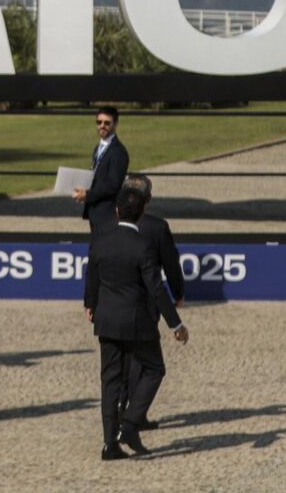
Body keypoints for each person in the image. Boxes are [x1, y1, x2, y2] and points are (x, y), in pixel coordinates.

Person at [85, 187, 188, 459]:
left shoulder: (100, 240)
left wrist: (90, 304)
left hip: (106, 320)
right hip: (137, 322)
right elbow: (156, 289)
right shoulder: (143, 246)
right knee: (154, 368)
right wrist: (175, 325)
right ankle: (130, 424)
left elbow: (92, 276)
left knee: (109, 381)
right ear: (142, 211)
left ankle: (109, 444)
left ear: (117, 210)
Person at [120, 173, 184, 430]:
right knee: (141, 360)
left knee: (121, 358)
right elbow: (171, 264)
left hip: (114, 300)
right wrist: (178, 293)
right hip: (145, 303)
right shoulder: (157, 227)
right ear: (148, 199)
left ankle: (122, 408)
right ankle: (133, 413)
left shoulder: (110, 222)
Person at [73, 107, 130, 236]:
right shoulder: (98, 148)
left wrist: (88, 194)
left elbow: (113, 185)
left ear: (115, 124)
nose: (102, 126)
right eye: (99, 122)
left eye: (107, 123)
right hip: (95, 211)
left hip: (108, 212)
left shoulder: (118, 152)